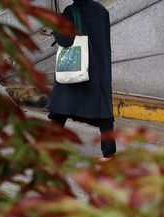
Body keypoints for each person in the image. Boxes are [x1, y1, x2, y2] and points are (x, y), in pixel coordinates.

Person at [47, 0, 116, 160]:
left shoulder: (71, 11)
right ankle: (109, 154)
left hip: (76, 67)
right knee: (103, 114)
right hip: (99, 69)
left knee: (60, 109)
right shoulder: (102, 10)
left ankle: (50, 148)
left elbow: (65, 40)